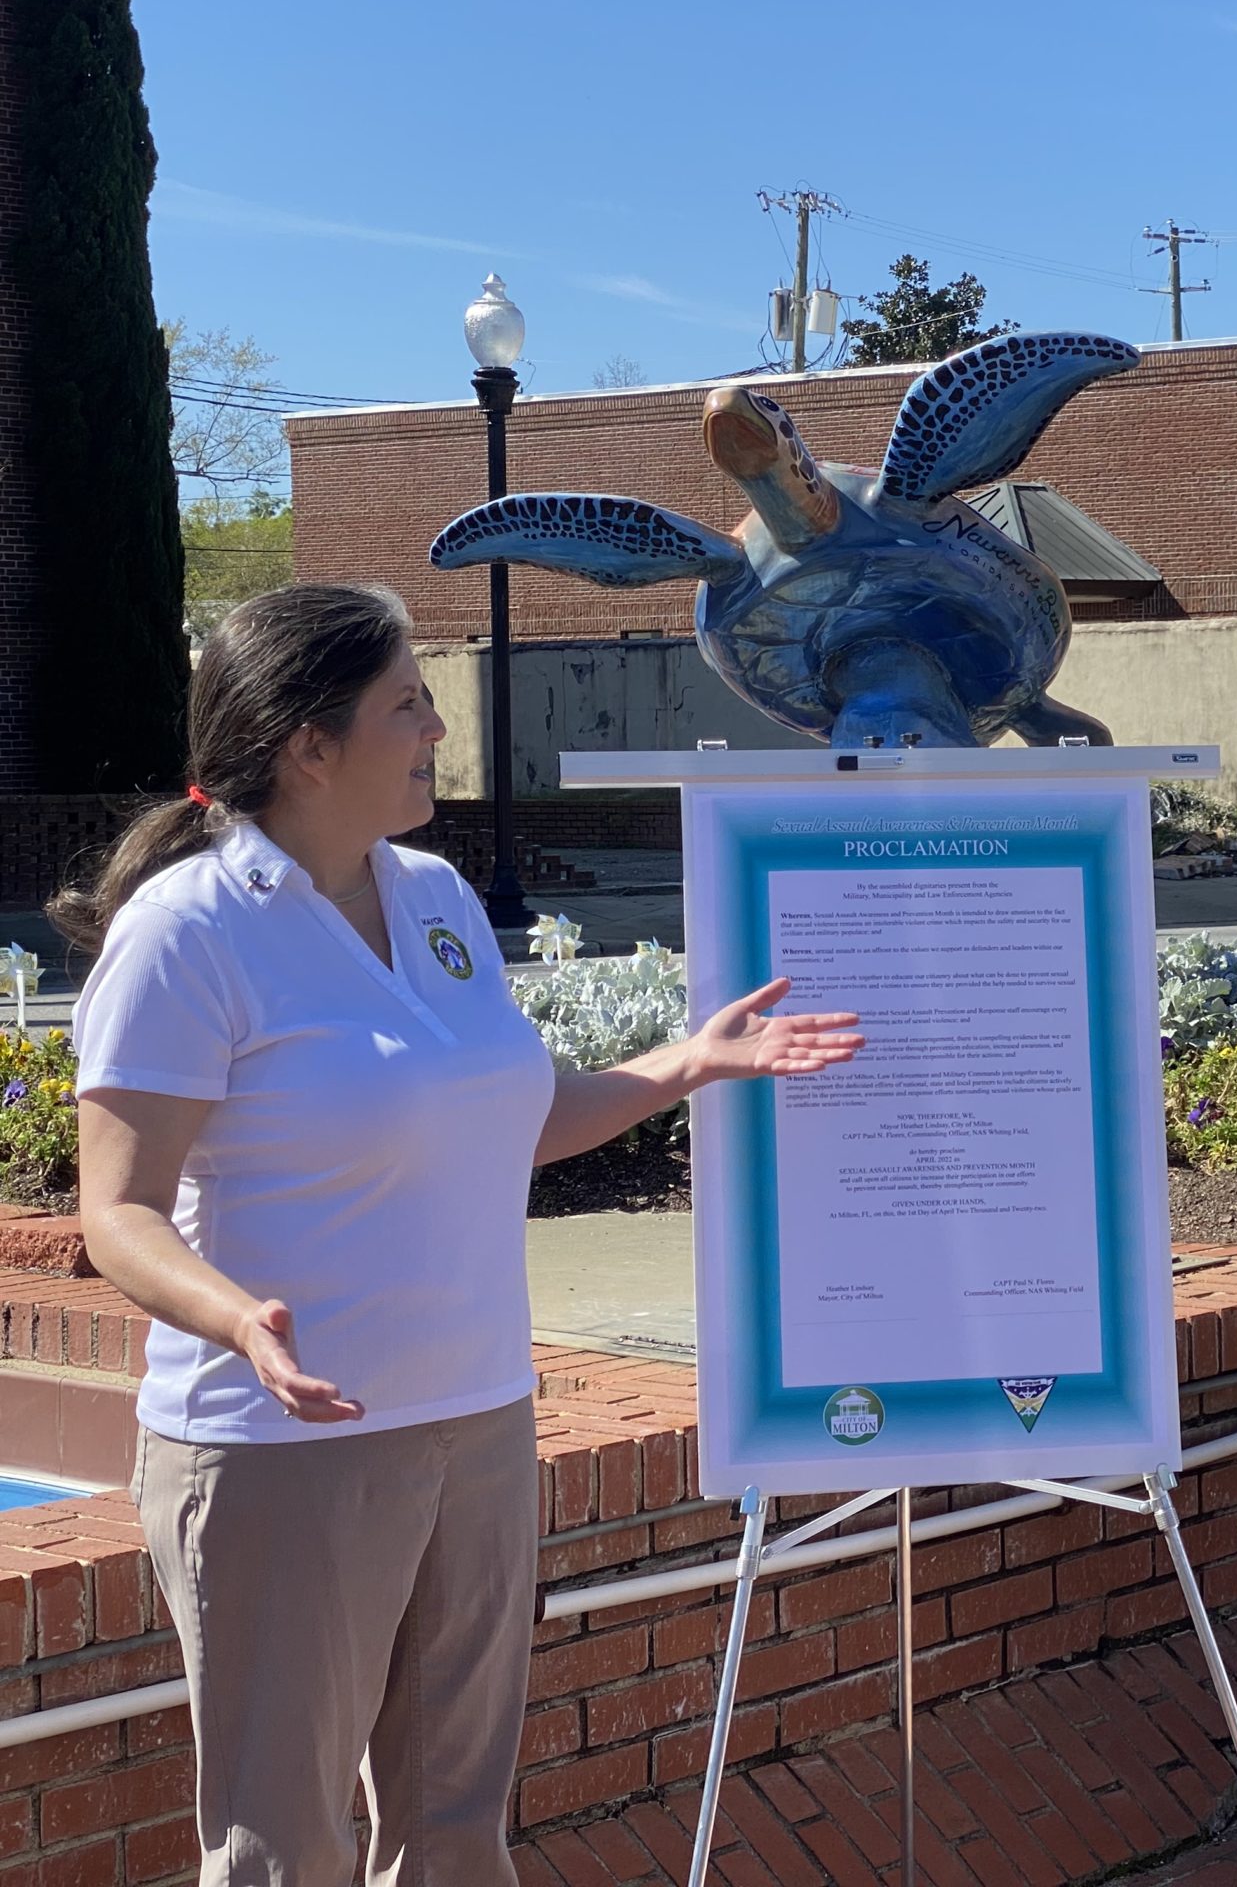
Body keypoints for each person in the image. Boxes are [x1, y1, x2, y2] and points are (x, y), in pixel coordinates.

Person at [61, 584, 865, 1885]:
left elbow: (507, 1118)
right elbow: (118, 1211)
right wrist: (235, 1318)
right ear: (309, 745)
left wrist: (686, 1063)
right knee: (285, 1848)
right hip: (280, 1451)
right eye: (408, 704)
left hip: (478, 1422)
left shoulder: (433, 895)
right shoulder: (187, 932)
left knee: (455, 1833)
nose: (438, 728)